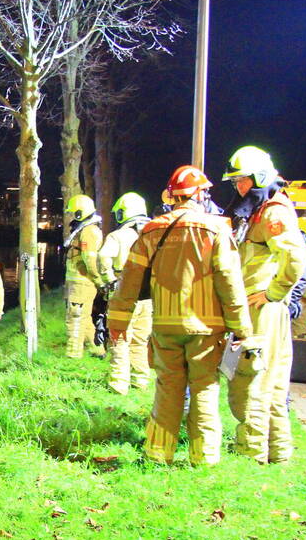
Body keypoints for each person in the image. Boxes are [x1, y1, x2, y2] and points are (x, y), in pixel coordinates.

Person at [108, 165, 252, 466]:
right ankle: (204, 458)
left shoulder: (151, 230)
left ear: (172, 195)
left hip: (165, 324)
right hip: (206, 327)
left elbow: (130, 280)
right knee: (204, 390)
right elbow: (230, 281)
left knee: (167, 389)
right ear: (199, 194)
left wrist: (118, 322)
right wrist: (241, 328)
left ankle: (158, 453)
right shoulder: (216, 230)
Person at [222, 145, 306, 464]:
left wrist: (273, 292)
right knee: (266, 381)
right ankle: (277, 452)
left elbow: (295, 256)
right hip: (254, 308)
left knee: (250, 378)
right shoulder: (258, 209)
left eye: (243, 180)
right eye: (236, 182)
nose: (239, 187)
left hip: (260, 310)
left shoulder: (273, 210)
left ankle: (251, 451)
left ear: (259, 177)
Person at [98, 192, 153, 394]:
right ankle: (140, 381)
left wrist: (109, 280)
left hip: (124, 292)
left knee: (119, 338)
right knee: (141, 339)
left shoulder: (118, 236)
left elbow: (103, 258)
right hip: (148, 295)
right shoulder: (153, 234)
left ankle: (118, 384)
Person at [62, 194, 104, 358]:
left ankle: (73, 354)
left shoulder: (88, 232)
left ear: (80, 213)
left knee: (75, 318)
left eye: (74, 213)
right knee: (84, 317)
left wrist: (97, 279)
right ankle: (95, 349)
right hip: (79, 282)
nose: (72, 217)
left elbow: (89, 259)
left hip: (81, 283)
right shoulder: (86, 230)